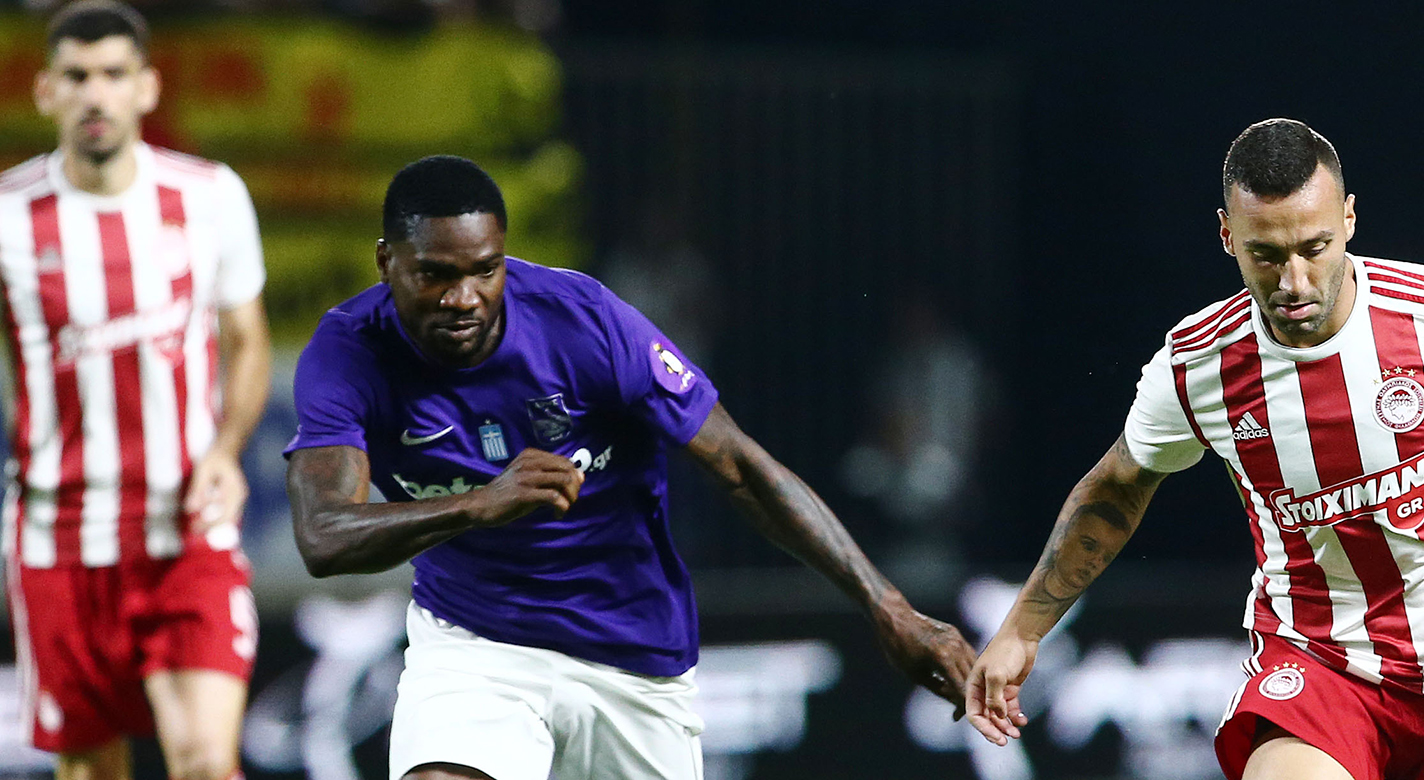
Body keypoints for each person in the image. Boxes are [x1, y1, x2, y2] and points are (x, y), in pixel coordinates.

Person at [282, 156, 974, 780]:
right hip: (476, 646)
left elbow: (740, 467)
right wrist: (479, 504)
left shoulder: (582, 322)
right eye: (435, 274)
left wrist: (887, 606)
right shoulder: (349, 352)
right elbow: (323, 534)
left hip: (629, 651)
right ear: (386, 261)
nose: (463, 298)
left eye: (484, 270)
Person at [964, 118, 1424, 780]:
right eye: (1267, 255)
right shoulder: (1198, 365)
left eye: (1314, 248)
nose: (1295, 282)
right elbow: (1117, 486)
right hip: (1318, 664)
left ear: (1350, 219)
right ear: (1227, 236)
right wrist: (1021, 630)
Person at [0, 2, 270, 779]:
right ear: (45, 91)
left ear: (147, 87)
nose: (96, 94)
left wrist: (226, 450)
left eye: (114, 74)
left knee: (207, 762)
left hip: (186, 526)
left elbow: (248, 340)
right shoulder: (9, 216)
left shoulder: (209, 195)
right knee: (91, 768)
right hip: (59, 535)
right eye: (78, 76)